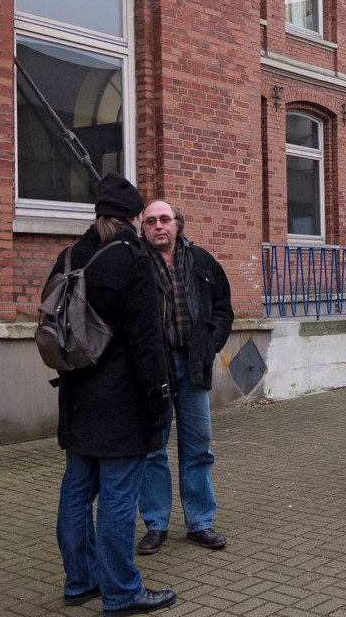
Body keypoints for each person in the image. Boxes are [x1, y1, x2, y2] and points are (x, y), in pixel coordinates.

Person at [50, 173, 177, 615]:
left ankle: (79, 582)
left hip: (76, 393)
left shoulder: (69, 255)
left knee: (77, 491)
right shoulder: (133, 258)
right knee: (120, 497)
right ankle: (122, 592)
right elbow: (147, 342)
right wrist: (160, 399)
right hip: (121, 400)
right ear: (134, 216)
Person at [135, 200, 234, 554]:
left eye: (165, 219)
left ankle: (199, 522)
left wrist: (211, 343)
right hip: (153, 371)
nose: (158, 226)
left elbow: (223, 306)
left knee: (197, 448)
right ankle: (156, 524)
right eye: (151, 221)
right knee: (152, 451)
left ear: (178, 224)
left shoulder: (202, 260)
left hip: (192, 367)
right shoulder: (135, 262)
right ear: (142, 227)